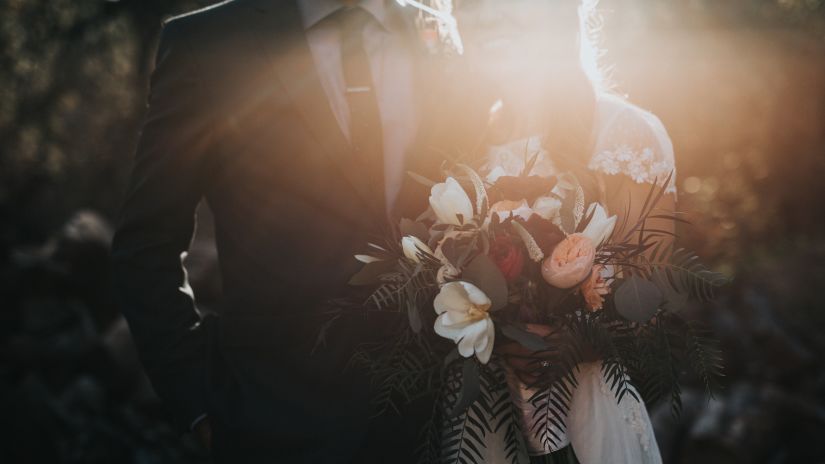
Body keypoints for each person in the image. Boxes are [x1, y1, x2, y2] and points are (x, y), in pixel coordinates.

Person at [110, 0, 447, 462]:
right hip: (273, 424)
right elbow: (145, 244)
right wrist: (199, 404)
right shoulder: (207, 46)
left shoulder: (439, 36)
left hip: (431, 425)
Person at [450, 0, 677, 462]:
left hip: (590, 422)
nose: (487, 15)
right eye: (467, 3)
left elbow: (647, 308)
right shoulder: (459, 148)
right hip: (483, 427)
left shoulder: (623, 133)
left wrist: (565, 345)